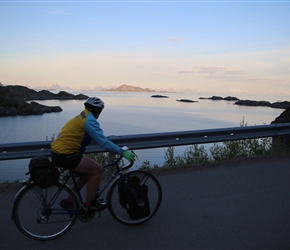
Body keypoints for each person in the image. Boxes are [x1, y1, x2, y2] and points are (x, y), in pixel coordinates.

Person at [51, 97, 135, 212]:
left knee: (86, 174)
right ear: (98, 111)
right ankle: (89, 205)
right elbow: (103, 142)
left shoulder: (82, 116)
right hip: (66, 154)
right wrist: (122, 151)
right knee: (97, 170)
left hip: (59, 153)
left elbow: (93, 137)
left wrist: (115, 147)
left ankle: (69, 201)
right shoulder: (89, 121)